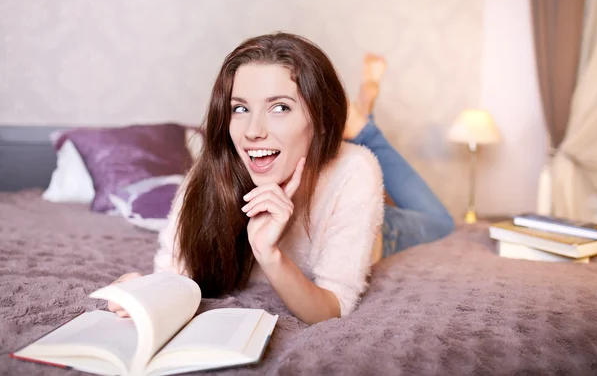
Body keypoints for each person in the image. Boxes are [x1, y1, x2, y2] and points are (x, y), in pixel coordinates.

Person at [108, 34, 455, 324]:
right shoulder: (209, 174)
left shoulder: (354, 172)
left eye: (280, 108)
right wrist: (144, 291)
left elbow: (331, 308)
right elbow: (173, 273)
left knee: (441, 222)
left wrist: (270, 256)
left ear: (317, 120)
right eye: (240, 109)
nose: (253, 132)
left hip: (378, 232)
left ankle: (362, 126)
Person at [343, 55, 455, 257]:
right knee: (443, 224)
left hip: (359, 215)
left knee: (438, 220)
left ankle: (364, 127)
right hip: (360, 221)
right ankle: (363, 127)